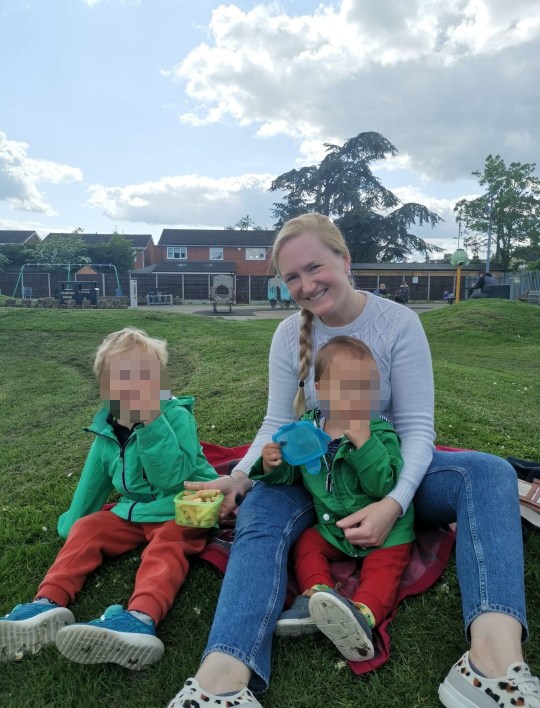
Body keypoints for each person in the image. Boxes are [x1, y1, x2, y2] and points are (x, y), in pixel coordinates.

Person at [168, 213, 539, 708]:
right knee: (259, 508)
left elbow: (416, 429)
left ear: (344, 260)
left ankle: (492, 666)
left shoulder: (397, 323)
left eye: (314, 267)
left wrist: (394, 503)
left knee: (490, 471)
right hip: (317, 479)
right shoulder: (287, 336)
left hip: (386, 469)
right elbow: (275, 421)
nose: (305, 284)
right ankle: (222, 680)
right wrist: (239, 477)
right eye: (292, 277)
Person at [0, 327, 223, 671]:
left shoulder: (176, 416)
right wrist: (74, 522)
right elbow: (94, 481)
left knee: (167, 544)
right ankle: (47, 603)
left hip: (185, 505)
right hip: (136, 510)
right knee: (89, 528)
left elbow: (172, 478)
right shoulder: (107, 428)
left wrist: (149, 423)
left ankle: (140, 619)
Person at [251, 336, 413, 662]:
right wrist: (270, 465)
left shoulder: (379, 433)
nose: (359, 398)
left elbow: (385, 485)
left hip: (386, 531)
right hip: (332, 528)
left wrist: (366, 446)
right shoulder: (306, 431)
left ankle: (363, 615)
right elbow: (291, 474)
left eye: (366, 388)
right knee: (306, 543)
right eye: (347, 387)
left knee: (386, 566)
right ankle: (316, 596)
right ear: (322, 390)